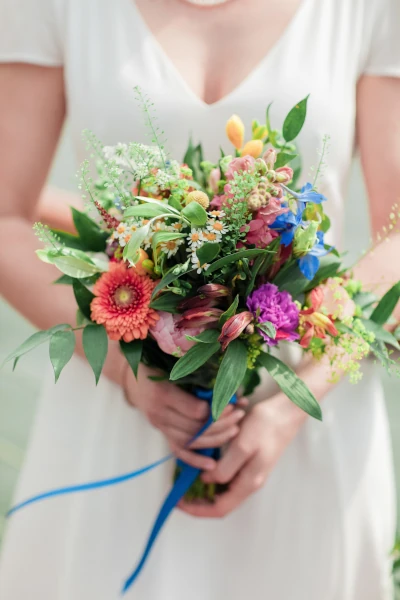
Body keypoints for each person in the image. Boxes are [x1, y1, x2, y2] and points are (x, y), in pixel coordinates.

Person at [0, 0, 399, 598]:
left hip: (303, 416)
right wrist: (128, 377)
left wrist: (291, 407)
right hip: (114, 404)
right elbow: (6, 214)